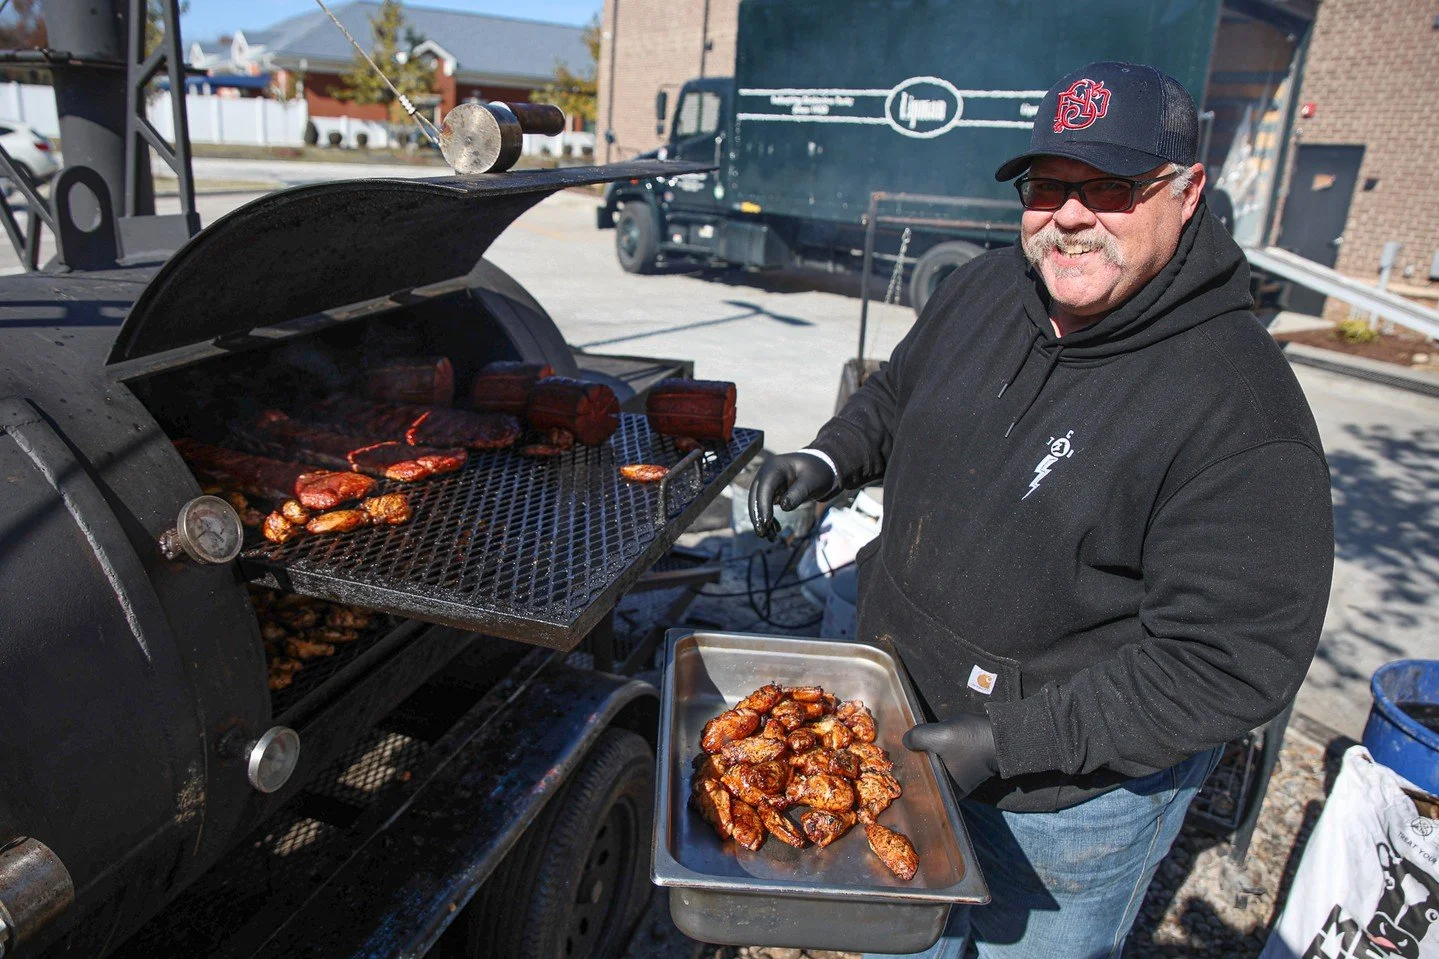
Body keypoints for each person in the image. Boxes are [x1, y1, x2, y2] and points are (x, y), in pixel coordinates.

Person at [749, 61, 1334, 959]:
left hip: (1063, 803)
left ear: (1186, 193)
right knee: (907, 940)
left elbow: (1228, 663)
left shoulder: (1239, 412)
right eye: (1048, 185)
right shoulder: (986, 287)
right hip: (904, 713)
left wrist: (1010, 739)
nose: (1068, 215)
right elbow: (898, 395)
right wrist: (829, 458)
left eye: (1109, 188)